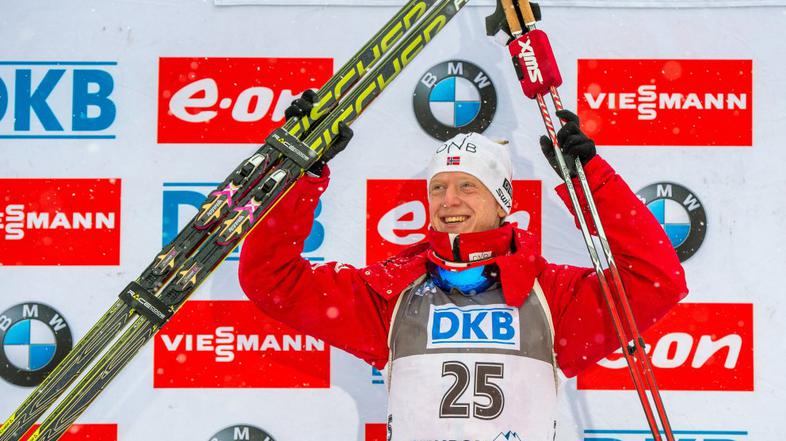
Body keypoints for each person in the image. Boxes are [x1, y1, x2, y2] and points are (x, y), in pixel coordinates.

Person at [238, 100, 688, 440]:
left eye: (467, 186)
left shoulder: (552, 296)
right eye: (439, 188)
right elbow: (271, 278)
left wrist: (592, 181)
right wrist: (296, 171)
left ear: (501, 202)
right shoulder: (392, 294)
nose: (448, 200)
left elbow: (656, 279)